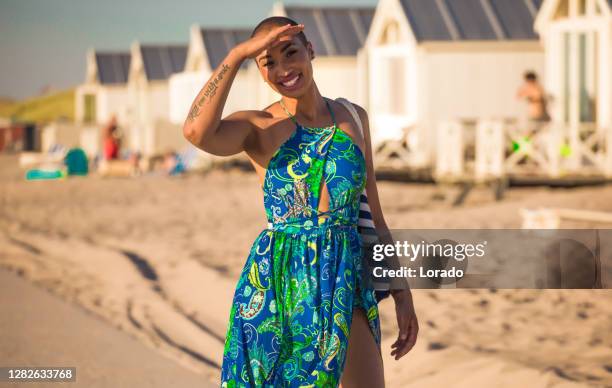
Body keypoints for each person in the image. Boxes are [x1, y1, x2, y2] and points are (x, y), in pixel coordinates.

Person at [183, 17, 418, 387]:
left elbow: (375, 215)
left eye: (290, 53)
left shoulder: (353, 118)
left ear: (310, 51)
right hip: (279, 281)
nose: (283, 69)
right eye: (268, 62)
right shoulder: (258, 126)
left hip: (345, 274)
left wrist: (402, 293)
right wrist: (237, 54)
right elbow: (196, 131)